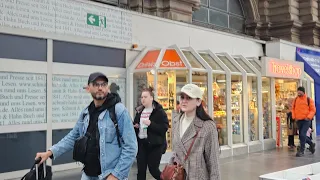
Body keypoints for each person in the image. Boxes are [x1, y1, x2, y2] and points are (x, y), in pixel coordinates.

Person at [35, 72, 138, 180]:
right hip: (88, 174)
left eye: (103, 84)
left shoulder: (118, 111)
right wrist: (50, 152)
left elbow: (131, 147)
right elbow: (73, 137)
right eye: (96, 84)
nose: (100, 88)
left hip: (109, 175)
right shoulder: (86, 113)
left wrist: (116, 175)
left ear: (107, 88)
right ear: (88, 88)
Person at [171, 84, 221, 180]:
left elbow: (213, 163)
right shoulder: (176, 121)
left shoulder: (207, 126)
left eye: (189, 98)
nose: (184, 101)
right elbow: (175, 152)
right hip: (179, 176)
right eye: (182, 97)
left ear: (198, 101)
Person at [133, 87, 169, 180]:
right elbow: (136, 123)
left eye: (145, 97)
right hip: (141, 144)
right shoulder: (139, 111)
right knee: (141, 170)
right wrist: (135, 126)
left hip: (155, 145)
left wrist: (151, 124)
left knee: (153, 170)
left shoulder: (159, 112)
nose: (143, 99)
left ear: (151, 98)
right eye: (141, 97)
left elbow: (164, 127)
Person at [292, 86, 316, 157]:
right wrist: (294, 117)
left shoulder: (309, 100)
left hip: (306, 120)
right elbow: (293, 109)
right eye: (298, 92)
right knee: (301, 136)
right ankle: (311, 144)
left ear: (303, 92)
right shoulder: (296, 100)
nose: (298, 93)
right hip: (298, 120)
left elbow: (313, 110)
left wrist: (308, 117)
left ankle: (302, 151)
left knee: (302, 134)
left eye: (300, 92)